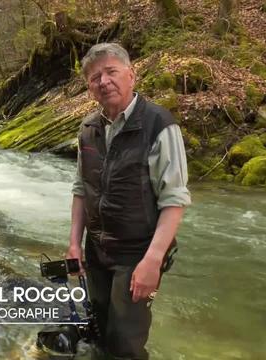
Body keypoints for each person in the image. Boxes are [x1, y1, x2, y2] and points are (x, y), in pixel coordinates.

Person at [66, 42, 191, 359]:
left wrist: (153, 261)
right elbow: (81, 187)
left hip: (138, 253)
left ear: (132, 76)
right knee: (98, 332)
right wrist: (74, 244)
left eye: (111, 72)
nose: (103, 81)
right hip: (96, 251)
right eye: (95, 77)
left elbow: (174, 199)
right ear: (90, 88)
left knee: (126, 345)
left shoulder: (159, 125)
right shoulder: (88, 128)